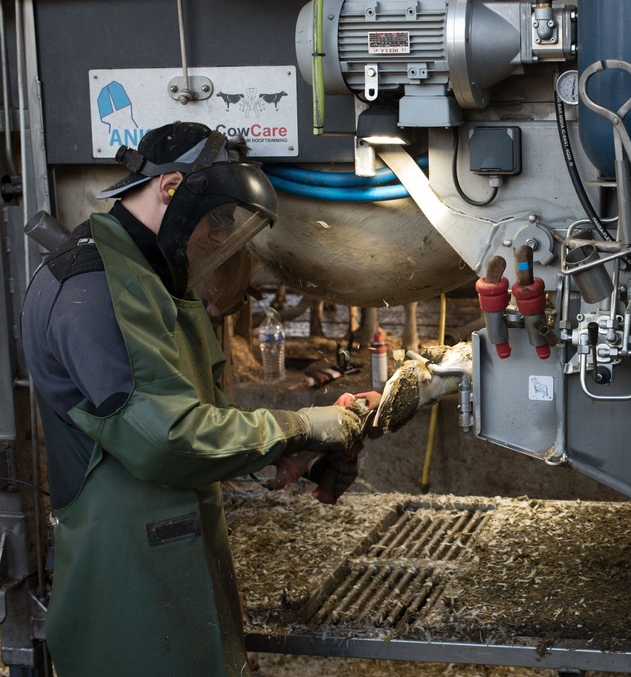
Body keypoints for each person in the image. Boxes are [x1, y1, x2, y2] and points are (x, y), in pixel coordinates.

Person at [21, 121, 375, 677]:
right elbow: (166, 438)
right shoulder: (94, 288)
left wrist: (284, 454)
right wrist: (301, 427)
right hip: (128, 587)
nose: (218, 241)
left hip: (172, 562)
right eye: (217, 224)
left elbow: (204, 415)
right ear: (170, 189)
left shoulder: (146, 278)